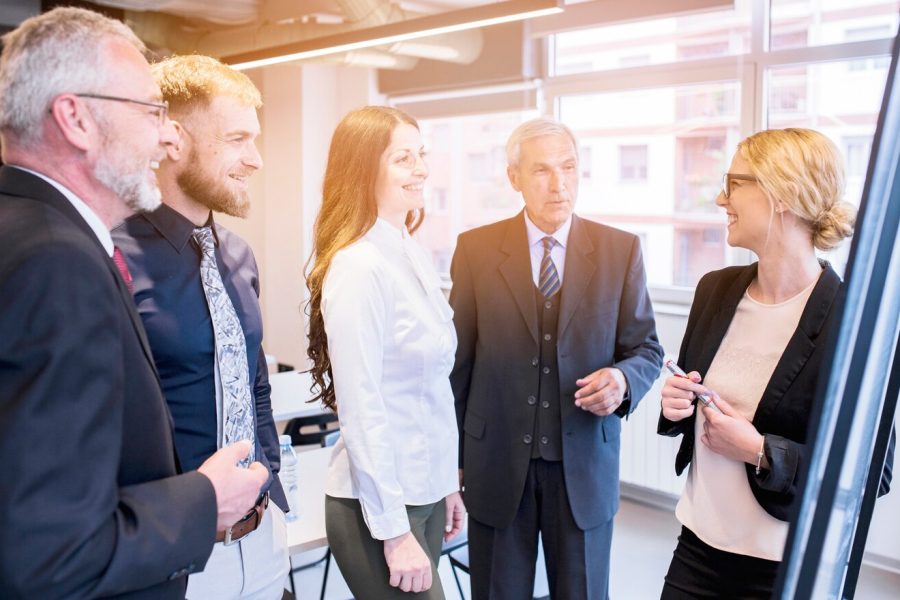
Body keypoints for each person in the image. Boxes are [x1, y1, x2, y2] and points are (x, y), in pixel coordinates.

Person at [0, 8, 268, 599]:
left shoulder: (31, 234)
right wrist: (204, 498)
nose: (164, 135)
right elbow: (49, 548)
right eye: (150, 112)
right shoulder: (56, 261)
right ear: (74, 118)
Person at [657, 128, 893, 598]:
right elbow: (692, 403)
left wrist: (761, 451)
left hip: (784, 567)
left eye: (734, 183)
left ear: (782, 194)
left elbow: (871, 475)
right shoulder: (714, 290)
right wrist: (676, 405)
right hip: (696, 547)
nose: (722, 198)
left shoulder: (852, 321)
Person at [450, 117, 664, 599]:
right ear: (514, 178)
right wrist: (453, 461)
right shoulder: (475, 251)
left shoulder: (620, 250)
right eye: (542, 170)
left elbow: (646, 348)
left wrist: (623, 379)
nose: (559, 183)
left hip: (584, 466)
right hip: (496, 464)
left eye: (568, 167)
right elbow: (458, 364)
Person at [112, 54, 289, 599]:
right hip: (174, 557)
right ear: (173, 140)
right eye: (237, 139)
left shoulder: (237, 255)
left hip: (262, 541)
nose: (255, 159)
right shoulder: (112, 257)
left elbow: (254, 379)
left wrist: (271, 481)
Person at [305, 105, 465, 599]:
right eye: (403, 158)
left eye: (421, 155)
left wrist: (447, 485)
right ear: (363, 168)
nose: (421, 169)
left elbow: (431, 391)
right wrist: (395, 533)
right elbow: (363, 407)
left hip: (425, 491)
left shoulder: (409, 250)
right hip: (377, 509)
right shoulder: (358, 266)